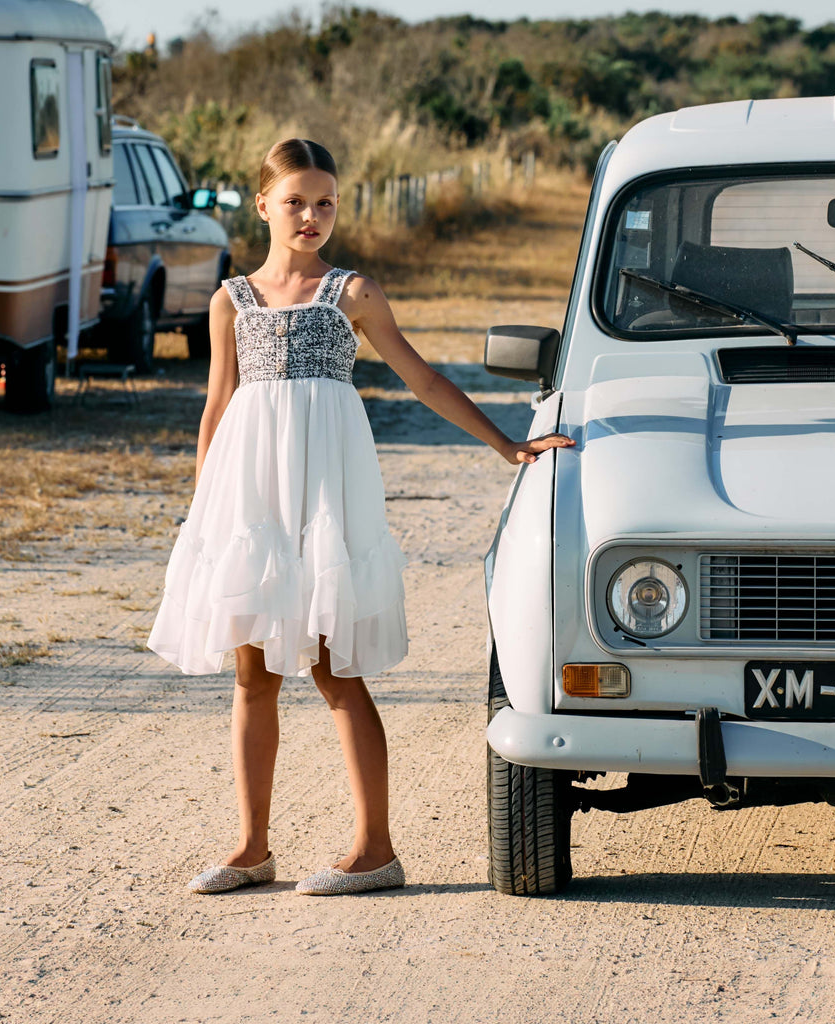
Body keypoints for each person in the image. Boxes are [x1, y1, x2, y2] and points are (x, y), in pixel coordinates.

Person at [147, 138, 574, 897]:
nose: (311, 217)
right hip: (250, 499)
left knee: (332, 667)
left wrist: (507, 443)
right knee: (252, 674)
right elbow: (217, 408)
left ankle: (375, 848)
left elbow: (424, 377)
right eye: (295, 202)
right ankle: (251, 847)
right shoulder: (231, 299)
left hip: (323, 497)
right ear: (263, 206)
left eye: (325, 203)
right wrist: (203, 511)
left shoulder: (352, 292)